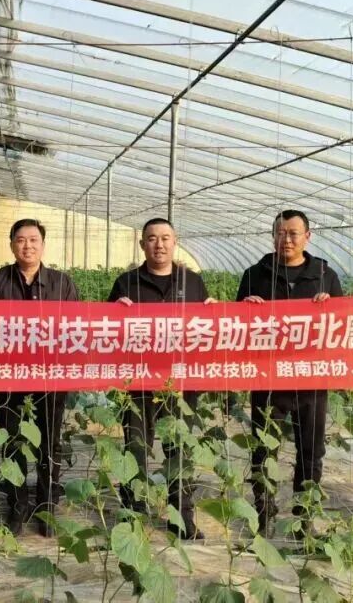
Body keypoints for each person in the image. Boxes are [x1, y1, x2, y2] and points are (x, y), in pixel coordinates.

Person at [236, 210, 343, 537]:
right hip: (268, 379)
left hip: (311, 379)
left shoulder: (325, 276)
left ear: (307, 237)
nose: (287, 239)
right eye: (281, 233)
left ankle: (303, 517)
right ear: (273, 236)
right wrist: (246, 307)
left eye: (294, 233)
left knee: (311, 451)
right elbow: (236, 325)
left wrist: (330, 307)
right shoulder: (256, 274)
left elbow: (342, 325)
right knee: (263, 448)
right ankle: (264, 512)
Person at [107, 217, 215, 540]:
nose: (159, 244)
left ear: (175, 241)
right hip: (138, 381)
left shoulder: (193, 283)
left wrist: (214, 313)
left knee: (179, 448)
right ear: (142, 244)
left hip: (180, 381)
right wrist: (114, 310)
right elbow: (106, 330)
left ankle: (181, 517)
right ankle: (134, 514)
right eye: (152, 238)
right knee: (136, 446)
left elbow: (206, 329)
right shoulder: (127, 283)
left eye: (165, 238)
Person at [0, 219, 80, 537]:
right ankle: (17, 504)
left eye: (34, 240)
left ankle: (46, 504)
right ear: (12, 245)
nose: (27, 246)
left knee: (49, 441)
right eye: (21, 240)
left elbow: (76, 327)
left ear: (43, 245)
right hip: (10, 376)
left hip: (51, 377)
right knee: (13, 440)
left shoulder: (61, 284)